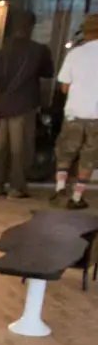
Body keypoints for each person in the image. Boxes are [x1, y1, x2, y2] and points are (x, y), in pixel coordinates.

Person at [0, 10, 54, 199]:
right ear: (31, 26)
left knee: (1, 148)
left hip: (5, 104)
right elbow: (48, 72)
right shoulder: (38, 50)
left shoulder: (3, 50)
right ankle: (16, 187)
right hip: (25, 104)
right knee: (20, 148)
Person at [52, 14, 98, 210]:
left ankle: (60, 189)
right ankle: (77, 197)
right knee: (89, 156)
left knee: (66, 152)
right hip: (96, 116)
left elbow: (64, 87)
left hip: (74, 113)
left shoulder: (75, 54)